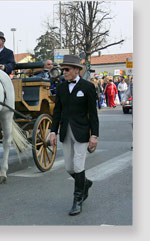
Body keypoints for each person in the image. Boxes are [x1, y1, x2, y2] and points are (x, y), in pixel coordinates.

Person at [49, 55, 99, 216]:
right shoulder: (62, 87)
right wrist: (52, 131)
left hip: (82, 132)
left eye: (67, 69)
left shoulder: (87, 87)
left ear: (77, 70)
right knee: (69, 167)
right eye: (63, 69)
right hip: (66, 132)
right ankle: (85, 183)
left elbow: (93, 113)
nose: (64, 72)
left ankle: (77, 200)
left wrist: (94, 135)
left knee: (78, 165)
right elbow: (57, 112)